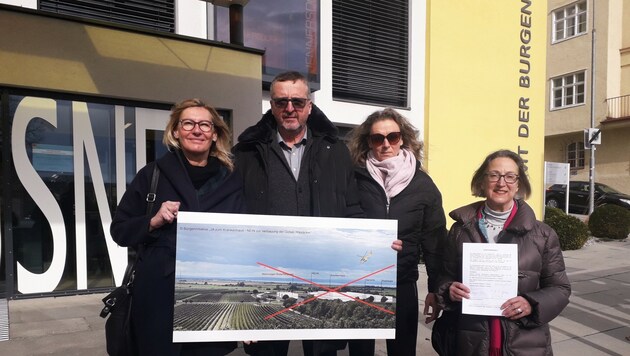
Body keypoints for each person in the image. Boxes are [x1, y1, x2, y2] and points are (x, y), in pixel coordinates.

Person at [232, 71, 365, 356]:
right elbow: (233, 214)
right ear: (272, 105)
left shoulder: (336, 152)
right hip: (265, 276)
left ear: (309, 106)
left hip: (321, 273)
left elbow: (352, 210)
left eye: (297, 101)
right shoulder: (246, 154)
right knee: (266, 352)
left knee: (322, 351)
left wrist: (373, 246)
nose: (289, 108)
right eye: (281, 102)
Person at [110, 98, 246, 356]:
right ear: (175, 131)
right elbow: (119, 230)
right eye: (188, 123)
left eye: (205, 125)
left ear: (215, 134)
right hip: (158, 297)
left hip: (210, 296)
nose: (197, 130)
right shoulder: (151, 175)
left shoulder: (232, 180)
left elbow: (243, 240)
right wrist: (153, 221)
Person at [435, 149, 571, 355]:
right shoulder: (460, 229)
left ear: (518, 184)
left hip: (524, 343)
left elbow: (560, 288)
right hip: (469, 341)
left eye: (510, 176)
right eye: (494, 175)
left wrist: (531, 304)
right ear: (482, 181)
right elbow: (445, 275)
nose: (501, 183)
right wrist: (448, 289)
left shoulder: (543, 234)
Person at [347, 108, 447, 356]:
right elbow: (344, 221)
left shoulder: (422, 184)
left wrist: (436, 289)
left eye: (392, 137)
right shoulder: (353, 178)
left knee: (402, 351)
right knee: (360, 351)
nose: (385, 144)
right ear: (368, 141)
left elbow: (435, 242)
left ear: (402, 138)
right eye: (377, 138)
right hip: (362, 279)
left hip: (402, 280)